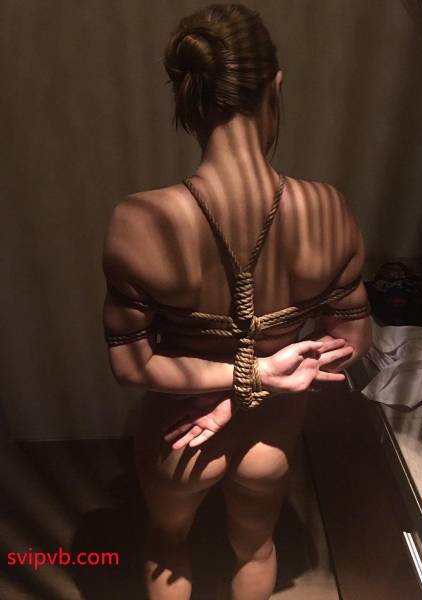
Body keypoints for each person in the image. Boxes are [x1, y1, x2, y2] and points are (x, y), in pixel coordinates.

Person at [101, 3, 372, 599]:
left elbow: (130, 365)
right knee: (257, 547)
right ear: (275, 84)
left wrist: (232, 388)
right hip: (269, 440)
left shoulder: (141, 219)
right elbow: (351, 344)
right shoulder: (327, 208)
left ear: (188, 95)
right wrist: (263, 382)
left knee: (167, 548)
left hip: (182, 434)